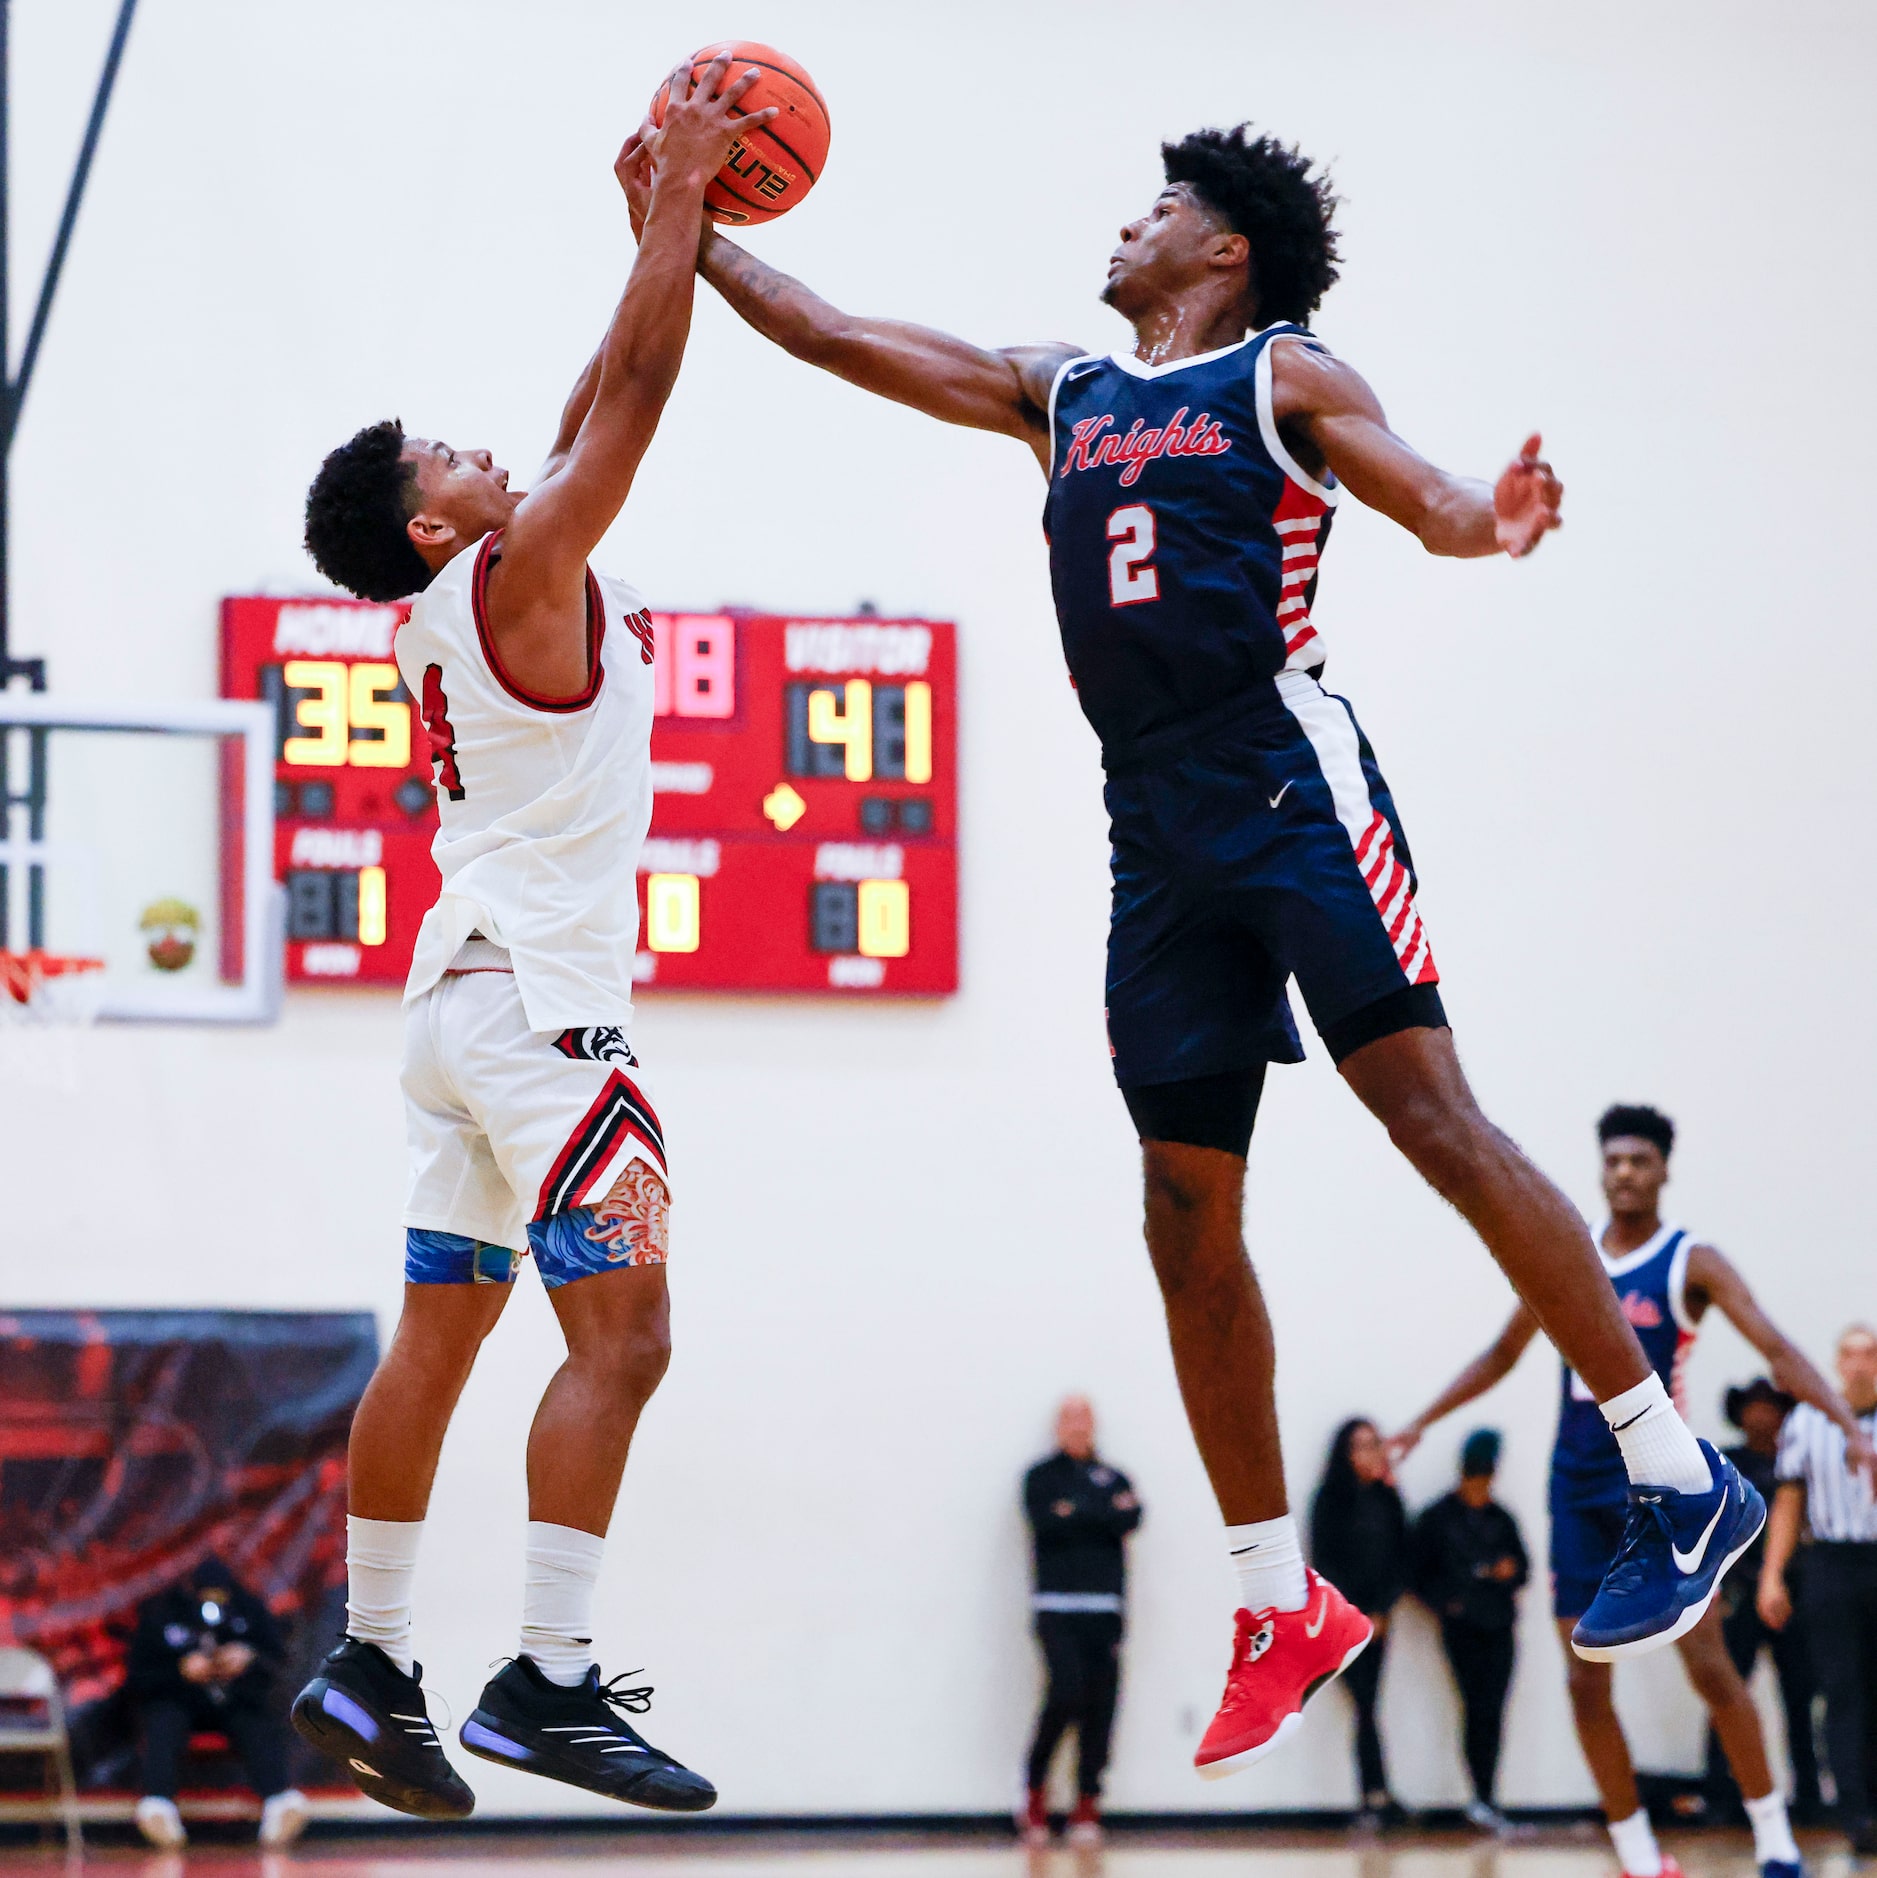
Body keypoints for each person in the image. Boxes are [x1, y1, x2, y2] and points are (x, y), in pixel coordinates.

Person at [622, 114, 1764, 1781]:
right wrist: (684, 224)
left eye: (1157, 206)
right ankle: (1268, 1599)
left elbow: (1429, 495)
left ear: (1220, 251)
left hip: (1287, 781)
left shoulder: (1283, 378)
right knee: (1179, 1207)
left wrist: (1492, 517)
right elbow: (833, 330)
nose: (1127, 222)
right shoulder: (1063, 391)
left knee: (1434, 1122)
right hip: (1149, 825)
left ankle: (1672, 1465)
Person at [284, 56, 776, 1821]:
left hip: (454, 1015)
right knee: (623, 1338)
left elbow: (579, 408)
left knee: (439, 1335)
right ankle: (549, 1679)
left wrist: (659, 216)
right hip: (552, 1025)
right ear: (433, 522)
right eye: (455, 455)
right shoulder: (515, 574)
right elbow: (629, 399)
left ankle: (372, 1650)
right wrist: (673, 212)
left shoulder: (454, 602)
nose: (494, 450)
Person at [1394, 1104, 1874, 1878]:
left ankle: (1774, 1839)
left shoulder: (1691, 1261)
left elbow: (1777, 1348)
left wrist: (1850, 1430)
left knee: (1711, 1669)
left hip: (1658, 1487)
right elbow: (1501, 1352)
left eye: (1638, 1161)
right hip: (1572, 1486)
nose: (1623, 1173)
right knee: (1585, 1678)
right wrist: (1419, 1422)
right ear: (1599, 1168)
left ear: (1662, 1171)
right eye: (1612, 1160)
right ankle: (1636, 1855)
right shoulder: (1565, 1249)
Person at [1760, 1324, 1877, 1856]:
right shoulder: (1806, 1422)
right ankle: (1856, 1812)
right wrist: (1772, 1575)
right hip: (1830, 1561)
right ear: (1836, 1362)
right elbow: (1789, 1501)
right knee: (1841, 1689)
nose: (1859, 1365)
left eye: (1869, 1355)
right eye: (1849, 1355)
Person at [1020, 1396, 1143, 1849]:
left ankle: (1088, 1799)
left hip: (1105, 1609)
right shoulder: (1040, 1477)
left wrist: (1078, 1511)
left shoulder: (1115, 1476)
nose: (1078, 1427)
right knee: (1065, 1692)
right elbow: (1046, 1524)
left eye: (1085, 1419)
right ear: (1057, 1426)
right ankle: (1034, 1791)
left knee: (1101, 1705)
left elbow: (1130, 1517)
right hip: (1056, 1607)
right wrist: (1100, 1513)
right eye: (1069, 1419)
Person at [125, 1557, 307, 1849]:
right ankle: (158, 1808)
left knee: (256, 1723)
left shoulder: (247, 1608)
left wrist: (248, 1657)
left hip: (235, 1699)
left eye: (219, 1595)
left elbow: (277, 1660)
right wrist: (180, 1669)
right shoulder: (163, 1612)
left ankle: (280, 1803)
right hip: (179, 1697)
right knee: (162, 1721)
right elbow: (138, 1676)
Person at [1707, 1379, 1820, 1825]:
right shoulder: (1725, 1464)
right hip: (1738, 1591)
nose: (1760, 1415)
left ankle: (1809, 1795)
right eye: (1752, 1407)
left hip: (1793, 1591)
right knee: (1727, 1690)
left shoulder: (1796, 1461)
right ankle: (1721, 1795)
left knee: (1801, 1695)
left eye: (1768, 1407)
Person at [1411, 1429, 1529, 1831]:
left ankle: (1487, 1796)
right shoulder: (1437, 1519)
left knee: (1491, 1711)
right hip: (1463, 1627)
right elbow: (1417, 1575)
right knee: (1477, 1709)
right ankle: (1481, 1796)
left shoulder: (1501, 1519)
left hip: (1499, 1625)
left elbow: (1524, 1568)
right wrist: (1450, 1603)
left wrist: (1507, 1573)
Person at [1309, 1420, 1408, 1826]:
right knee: (1365, 1703)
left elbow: (1402, 1556)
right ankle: (1375, 1795)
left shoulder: (1389, 1499)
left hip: (1381, 1619)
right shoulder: (1329, 1501)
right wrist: (1356, 1614)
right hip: (1343, 1621)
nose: (1370, 1453)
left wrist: (1383, 1608)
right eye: (1360, 1446)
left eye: (1374, 1445)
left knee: (1370, 1704)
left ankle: (1377, 1795)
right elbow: (1324, 1562)